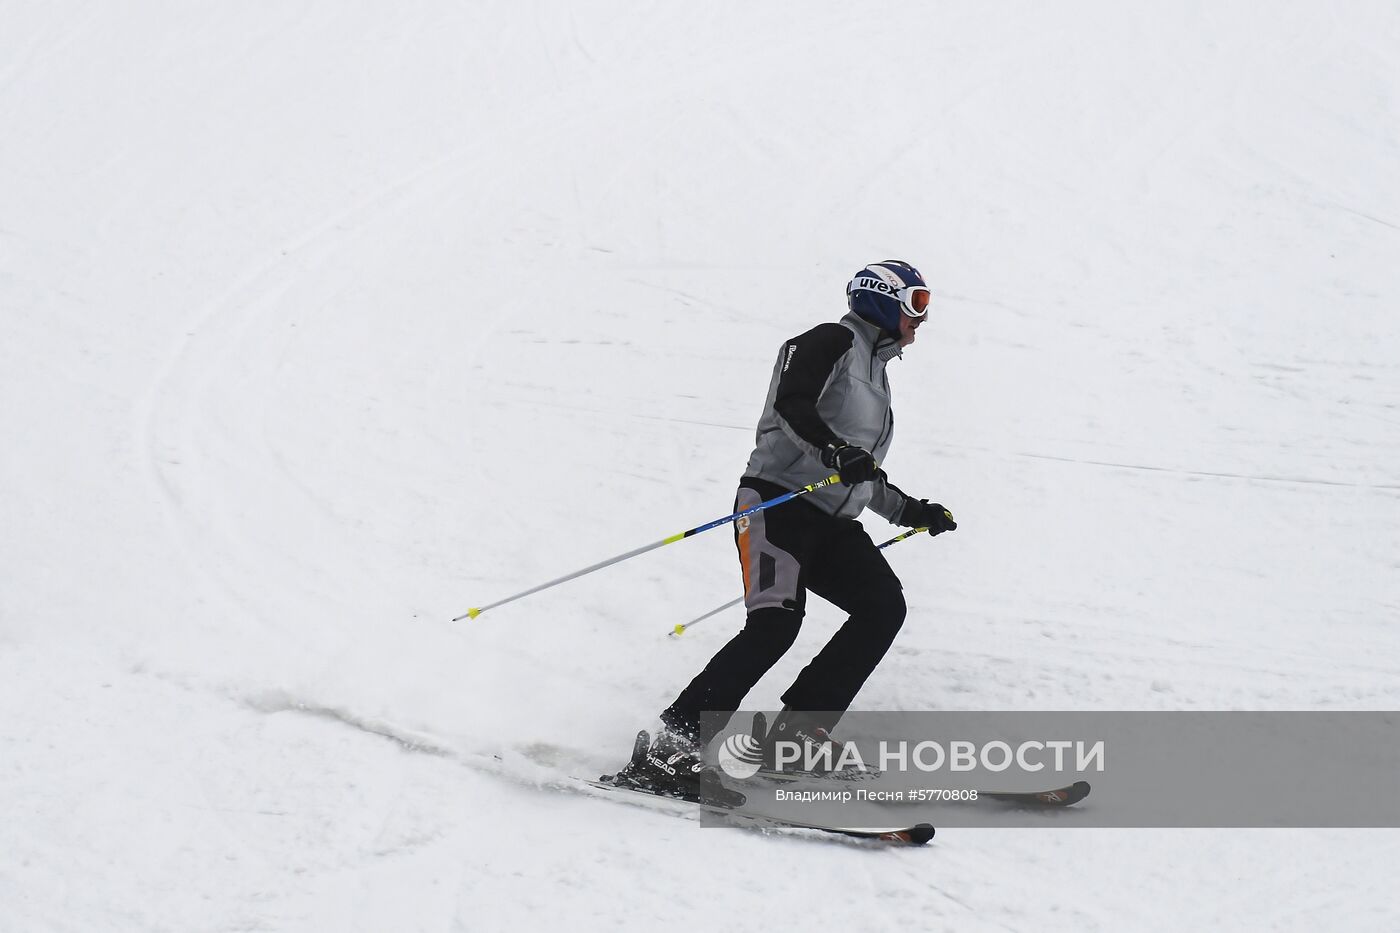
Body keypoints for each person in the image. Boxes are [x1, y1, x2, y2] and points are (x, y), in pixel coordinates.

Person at [615, 260, 957, 797]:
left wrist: (912, 511)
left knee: (882, 606)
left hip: (832, 522)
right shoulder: (829, 342)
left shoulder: (877, 370)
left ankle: (795, 741)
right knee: (775, 625)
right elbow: (792, 406)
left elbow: (859, 471)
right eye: (917, 303)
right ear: (881, 299)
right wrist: (834, 449)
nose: (923, 318)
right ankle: (670, 751)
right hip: (777, 504)